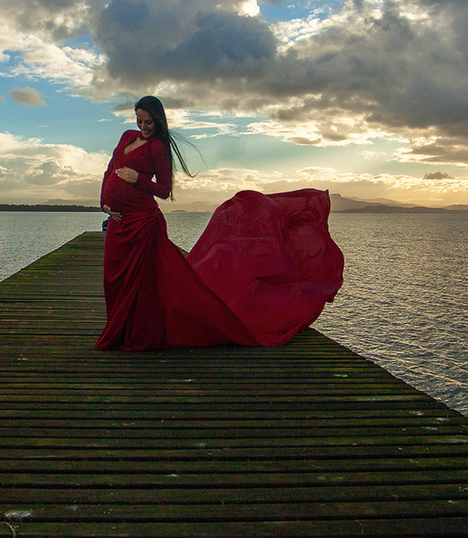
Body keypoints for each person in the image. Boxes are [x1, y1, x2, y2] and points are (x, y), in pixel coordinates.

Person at [96, 96, 344, 351]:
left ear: (158, 120)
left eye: (148, 122)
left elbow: (164, 190)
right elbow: (110, 169)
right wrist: (104, 201)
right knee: (113, 278)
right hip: (118, 220)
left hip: (143, 223)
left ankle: (138, 334)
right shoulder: (127, 137)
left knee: (143, 284)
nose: (143, 126)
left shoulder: (158, 148)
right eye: (139, 121)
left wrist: (138, 179)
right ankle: (119, 330)